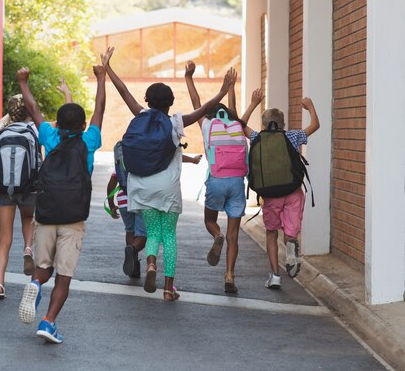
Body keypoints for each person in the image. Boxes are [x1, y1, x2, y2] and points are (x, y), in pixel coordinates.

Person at [104, 47, 233, 301]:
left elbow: (124, 92)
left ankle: (150, 264)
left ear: (148, 101)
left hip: (141, 186)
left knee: (152, 234)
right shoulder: (175, 122)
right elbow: (205, 107)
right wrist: (223, 90)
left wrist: (108, 67)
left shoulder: (140, 115)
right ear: (170, 103)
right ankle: (168, 288)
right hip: (168, 188)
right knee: (169, 236)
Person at [17, 63, 106, 344]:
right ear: (82, 126)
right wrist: (101, 78)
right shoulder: (89, 141)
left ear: (57, 123)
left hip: (46, 214)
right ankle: (48, 322)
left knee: (43, 268)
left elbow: (33, 108)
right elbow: (99, 109)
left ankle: (34, 283)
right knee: (64, 277)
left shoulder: (49, 137)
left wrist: (23, 82)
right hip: (74, 218)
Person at [241, 91, 320, 289]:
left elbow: (240, 124)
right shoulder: (293, 136)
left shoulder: (257, 137)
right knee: (290, 233)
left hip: (271, 195)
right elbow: (315, 126)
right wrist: (309, 107)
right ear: (283, 124)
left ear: (263, 125)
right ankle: (291, 246)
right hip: (293, 192)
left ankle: (275, 275)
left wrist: (253, 103)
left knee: (271, 233)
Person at [185, 62, 247, 294]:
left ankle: (216, 235)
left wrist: (189, 77)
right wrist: (231, 87)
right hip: (237, 183)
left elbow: (196, 103)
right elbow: (232, 107)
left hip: (216, 180)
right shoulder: (237, 126)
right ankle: (230, 274)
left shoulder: (207, 125)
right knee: (235, 235)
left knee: (210, 220)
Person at [0, 94, 39, 299]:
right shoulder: (34, 130)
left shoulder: (2, 130)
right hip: (29, 187)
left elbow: (0, 122)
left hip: (4, 189)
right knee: (28, 219)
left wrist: (11, 112)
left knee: (4, 239)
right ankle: (28, 248)